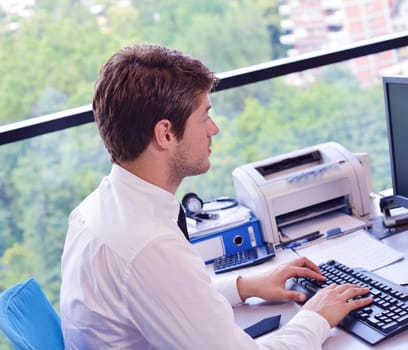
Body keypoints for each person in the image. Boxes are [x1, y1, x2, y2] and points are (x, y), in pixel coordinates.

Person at [60, 43, 373, 349]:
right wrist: (315, 318)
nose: (214, 129)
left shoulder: (95, 209)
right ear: (165, 134)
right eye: (204, 116)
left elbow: (164, 297)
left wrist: (244, 286)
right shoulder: (149, 246)